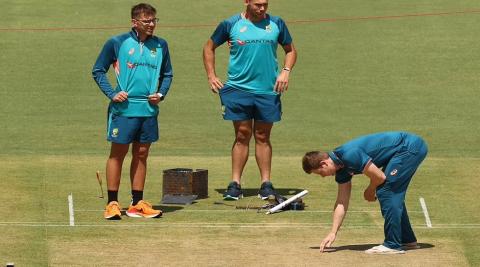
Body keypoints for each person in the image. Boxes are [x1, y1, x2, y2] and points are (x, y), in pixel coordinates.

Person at [202, 0, 297, 200]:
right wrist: (211, 75)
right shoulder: (230, 24)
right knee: (242, 135)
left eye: (265, 4)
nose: (262, 8)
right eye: (257, 4)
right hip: (238, 90)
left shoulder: (277, 23)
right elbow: (209, 47)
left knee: (263, 136)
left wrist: (286, 72)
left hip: (268, 90)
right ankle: (235, 184)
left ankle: (266, 184)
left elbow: (290, 50)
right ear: (246, 2)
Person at [92, 3, 173, 220]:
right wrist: (111, 93)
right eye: (147, 21)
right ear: (134, 22)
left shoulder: (161, 45)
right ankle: (112, 203)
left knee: (142, 153)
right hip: (124, 110)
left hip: (148, 109)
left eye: (154, 20)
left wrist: (161, 94)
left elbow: (168, 74)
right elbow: (98, 70)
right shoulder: (117, 43)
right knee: (118, 154)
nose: (152, 25)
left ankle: (137, 204)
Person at [302, 132, 428, 254]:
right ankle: (407, 240)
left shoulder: (350, 155)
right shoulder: (341, 170)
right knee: (389, 191)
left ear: (324, 164)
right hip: (403, 151)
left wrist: (370, 189)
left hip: (410, 147)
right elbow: (342, 202)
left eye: (320, 173)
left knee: (386, 190)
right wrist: (333, 232)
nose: (323, 177)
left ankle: (392, 244)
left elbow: (380, 177)